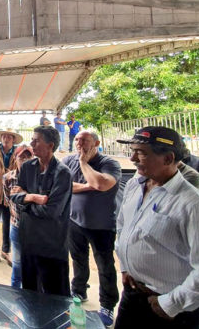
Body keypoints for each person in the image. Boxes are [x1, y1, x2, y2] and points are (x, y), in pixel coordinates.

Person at [114, 127, 199, 328]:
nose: (133, 159)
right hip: (133, 295)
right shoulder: (134, 185)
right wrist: (126, 267)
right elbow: (123, 226)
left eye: (142, 153)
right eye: (133, 151)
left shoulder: (192, 204)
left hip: (171, 310)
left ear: (168, 158)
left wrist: (171, 303)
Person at [62, 131, 122, 327]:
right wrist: (90, 186)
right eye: (77, 140)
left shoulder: (109, 163)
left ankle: (107, 304)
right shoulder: (68, 159)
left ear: (96, 143)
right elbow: (62, 185)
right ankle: (78, 291)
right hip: (74, 221)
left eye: (84, 141)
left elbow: (102, 183)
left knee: (105, 266)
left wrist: (83, 164)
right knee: (78, 260)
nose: (79, 143)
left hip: (101, 225)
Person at [10, 126, 73, 296]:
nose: (31, 143)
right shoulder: (28, 167)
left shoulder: (63, 174)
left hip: (51, 246)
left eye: (36, 140)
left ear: (50, 145)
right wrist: (32, 197)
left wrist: (25, 201)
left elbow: (51, 211)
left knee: (56, 297)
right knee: (30, 293)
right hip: (28, 241)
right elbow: (14, 196)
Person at [0, 129, 23, 266]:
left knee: (9, 223)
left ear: (13, 140)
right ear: (0, 138)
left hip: (11, 195)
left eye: (9, 137)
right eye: (4, 136)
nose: (6, 139)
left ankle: (6, 251)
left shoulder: (18, 153)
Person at [2, 145, 33, 289]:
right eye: (21, 157)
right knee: (17, 264)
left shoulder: (38, 178)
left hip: (35, 228)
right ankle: (15, 294)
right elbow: (8, 200)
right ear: (16, 158)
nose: (25, 160)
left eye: (28, 156)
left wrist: (25, 193)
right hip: (16, 226)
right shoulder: (8, 178)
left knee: (32, 264)